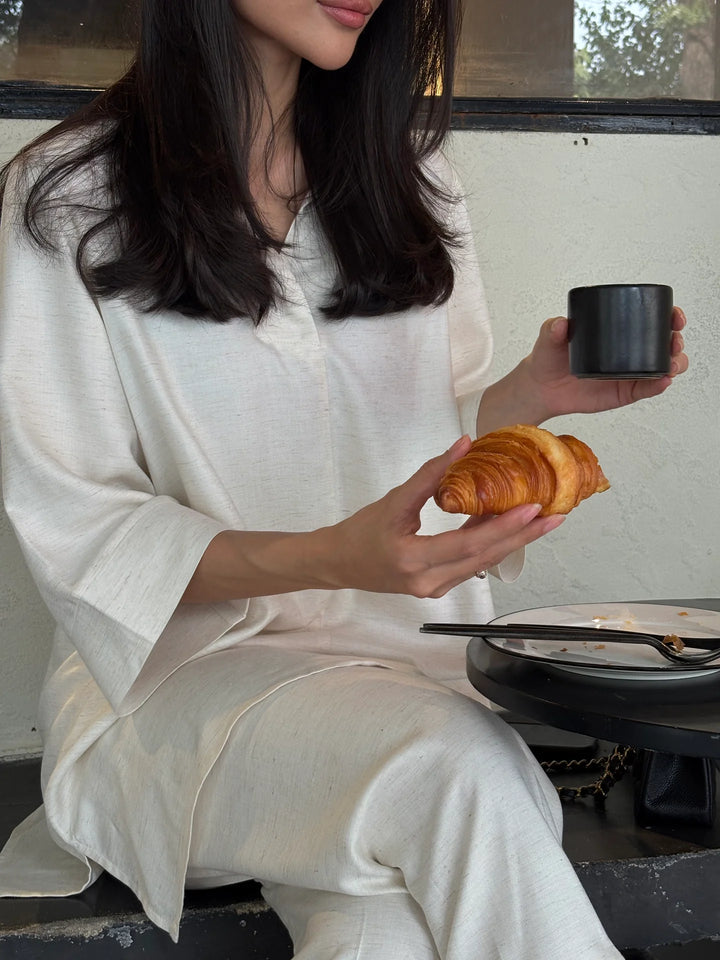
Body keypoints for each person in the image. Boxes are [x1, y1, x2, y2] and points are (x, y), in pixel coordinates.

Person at [0, 1, 688, 958]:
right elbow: (81, 525)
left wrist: (527, 402)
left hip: (402, 672)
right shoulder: (69, 198)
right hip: (173, 698)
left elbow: (409, 450)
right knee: (457, 771)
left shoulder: (410, 178)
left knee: (382, 928)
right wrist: (331, 557)